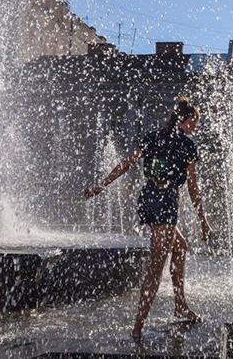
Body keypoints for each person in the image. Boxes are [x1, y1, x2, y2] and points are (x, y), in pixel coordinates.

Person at [84, 97, 212, 339]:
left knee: (180, 247)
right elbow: (193, 189)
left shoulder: (153, 137)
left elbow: (126, 163)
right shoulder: (187, 146)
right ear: (184, 122)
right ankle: (138, 327)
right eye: (194, 122)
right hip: (165, 204)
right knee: (156, 268)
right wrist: (203, 220)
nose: (196, 126)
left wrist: (100, 186)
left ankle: (180, 304)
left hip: (148, 199)